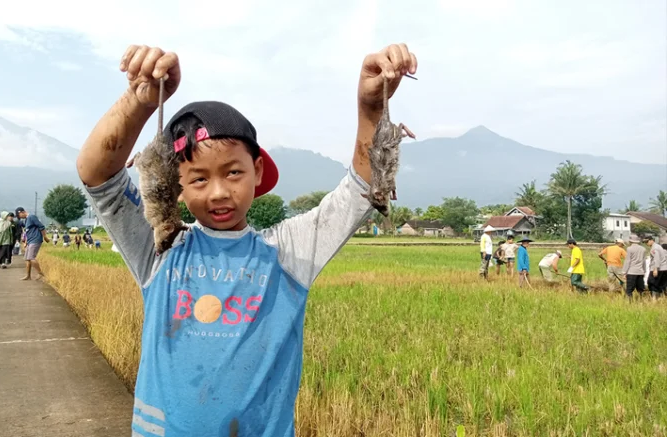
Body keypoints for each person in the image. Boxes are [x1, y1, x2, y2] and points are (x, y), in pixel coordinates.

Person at [76, 42, 418, 436]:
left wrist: (371, 108)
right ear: (176, 187)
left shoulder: (288, 252)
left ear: (257, 171)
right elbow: (96, 174)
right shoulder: (161, 247)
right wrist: (139, 103)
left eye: (233, 173)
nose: (219, 192)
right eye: (199, 178)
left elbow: (360, 189)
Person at [15, 207, 50, 280]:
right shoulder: (27, 220)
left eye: (19, 215)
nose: (20, 217)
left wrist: (45, 237)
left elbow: (41, 227)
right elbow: (28, 232)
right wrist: (26, 242)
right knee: (27, 259)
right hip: (30, 241)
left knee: (31, 257)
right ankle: (28, 276)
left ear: (22, 212)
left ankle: (40, 273)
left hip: (35, 240)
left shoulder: (32, 217)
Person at [622, 234, 647, 300]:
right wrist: (644, 271)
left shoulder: (629, 249)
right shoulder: (643, 249)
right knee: (641, 289)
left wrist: (624, 272)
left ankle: (630, 302)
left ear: (630, 241)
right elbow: (644, 261)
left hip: (631, 272)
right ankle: (641, 300)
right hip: (640, 272)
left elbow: (628, 261)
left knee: (629, 289)